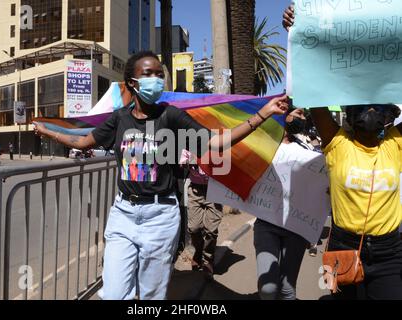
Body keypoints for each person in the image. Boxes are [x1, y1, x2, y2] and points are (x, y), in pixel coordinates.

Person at [33, 51, 289, 300]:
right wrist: (49, 132)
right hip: (123, 215)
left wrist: (262, 115)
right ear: (132, 83)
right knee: (112, 293)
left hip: (160, 218)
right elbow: (84, 142)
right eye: (148, 73)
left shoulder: (171, 115)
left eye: (158, 73)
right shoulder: (119, 118)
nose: (156, 79)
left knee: (151, 295)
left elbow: (215, 143)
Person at [283, 7, 402, 299]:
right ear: (349, 111)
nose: (370, 110)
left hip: (390, 253)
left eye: (377, 104)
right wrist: (299, 34)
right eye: (363, 104)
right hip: (339, 245)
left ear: (390, 113)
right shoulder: (337, 143)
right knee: (333, 296)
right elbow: (314, 93)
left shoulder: (396, 144)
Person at [253, 108, 310, 300]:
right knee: (268, 288)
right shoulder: (262, 144)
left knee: (287, 288)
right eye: (300, 113)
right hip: (266, 225)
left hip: (296, 227)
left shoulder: (306, 149)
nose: (303, 118)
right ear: (286, 115)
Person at [180, 149, 223, 278]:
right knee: (193, 228)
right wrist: (190, 161)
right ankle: (198, 252)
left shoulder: (218, 144)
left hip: (215, 189)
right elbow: (182, 163)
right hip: (196, 189)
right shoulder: (189, 143)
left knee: (211, 230)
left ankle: (208, 259)